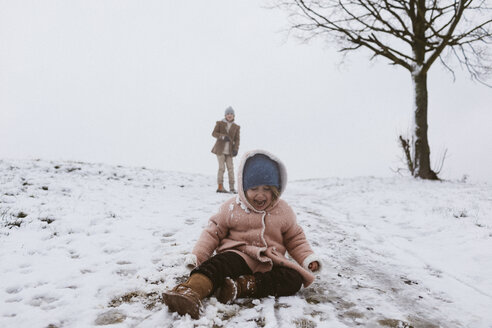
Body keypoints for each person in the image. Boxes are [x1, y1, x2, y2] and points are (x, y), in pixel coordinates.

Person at [163, 150, 321, 319]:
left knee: (294, 279)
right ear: (243, 188)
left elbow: (295, 238)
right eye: (254, 188)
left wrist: (307, 258)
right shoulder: (231, 207)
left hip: (270, 262)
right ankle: (192, 289)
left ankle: (242, 286)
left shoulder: (284, 211)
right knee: (218, 264)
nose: (260, 195)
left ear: (275, 189)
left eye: (267, 189)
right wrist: (198, 255)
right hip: (238, 255)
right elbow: (212, 233)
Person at [211, 106, 240, 193]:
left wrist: (236, 149)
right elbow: (214, 133)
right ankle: (220, 187)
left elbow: (237, 139)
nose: (229, 115)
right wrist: (222, 137)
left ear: (234, 115)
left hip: (230, 151)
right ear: (225, 115)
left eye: (231, 114)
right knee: (221, 168)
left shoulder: (236, 127)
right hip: (220, 150)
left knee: (230, 169)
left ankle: (232, 188)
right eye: (227, 114)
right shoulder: (220, 123)